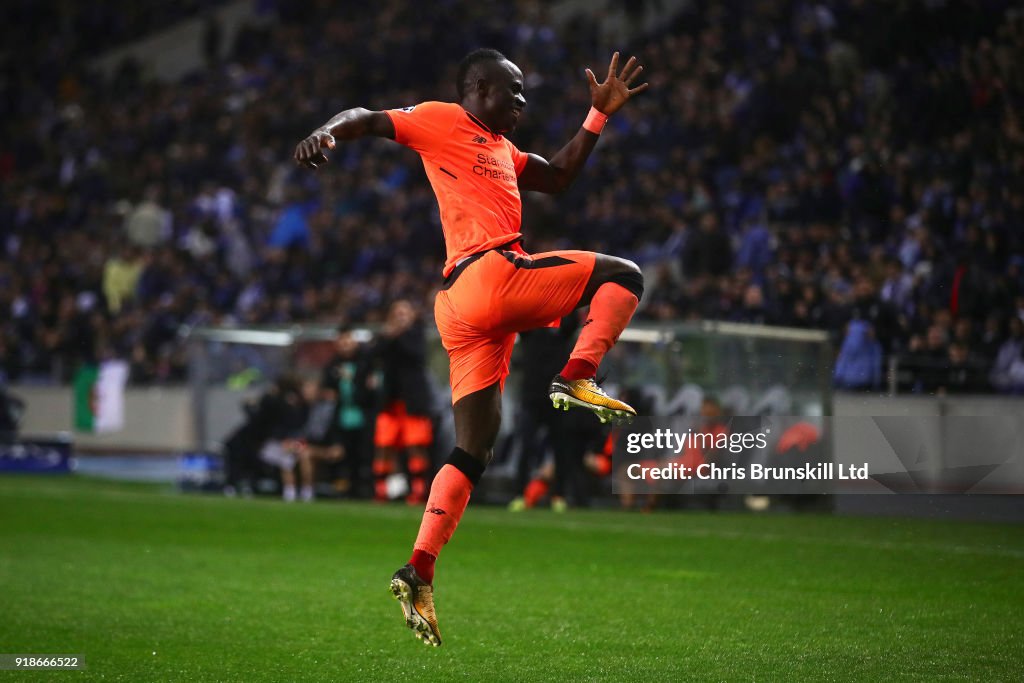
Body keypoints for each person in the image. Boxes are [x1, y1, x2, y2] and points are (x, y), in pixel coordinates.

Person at [295, 48, 648, 647]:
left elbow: (558, 178)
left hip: (460, 308)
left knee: (473, 448)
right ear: (479, 87)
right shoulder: (440, 119)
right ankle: (579, 372)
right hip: (491, 276)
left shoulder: (503, 151)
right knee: (625, 275)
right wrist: (327, 131)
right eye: (513, 90)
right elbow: (372, 118)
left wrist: (597, 116)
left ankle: (420, 569)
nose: (522, 101)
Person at [371, 300, 436, 504]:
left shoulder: (416, 335)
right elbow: (374, 354)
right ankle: (381, 490)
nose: (401, 316)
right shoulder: (386, 336)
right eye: (397, 313)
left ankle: (418, 490)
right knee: (384, 446)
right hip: (391, 402)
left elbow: (416, 355)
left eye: (405, 313)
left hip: (412, 402)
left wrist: (398, 335)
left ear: (412, 316)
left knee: (416, 446)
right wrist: (390, 335)